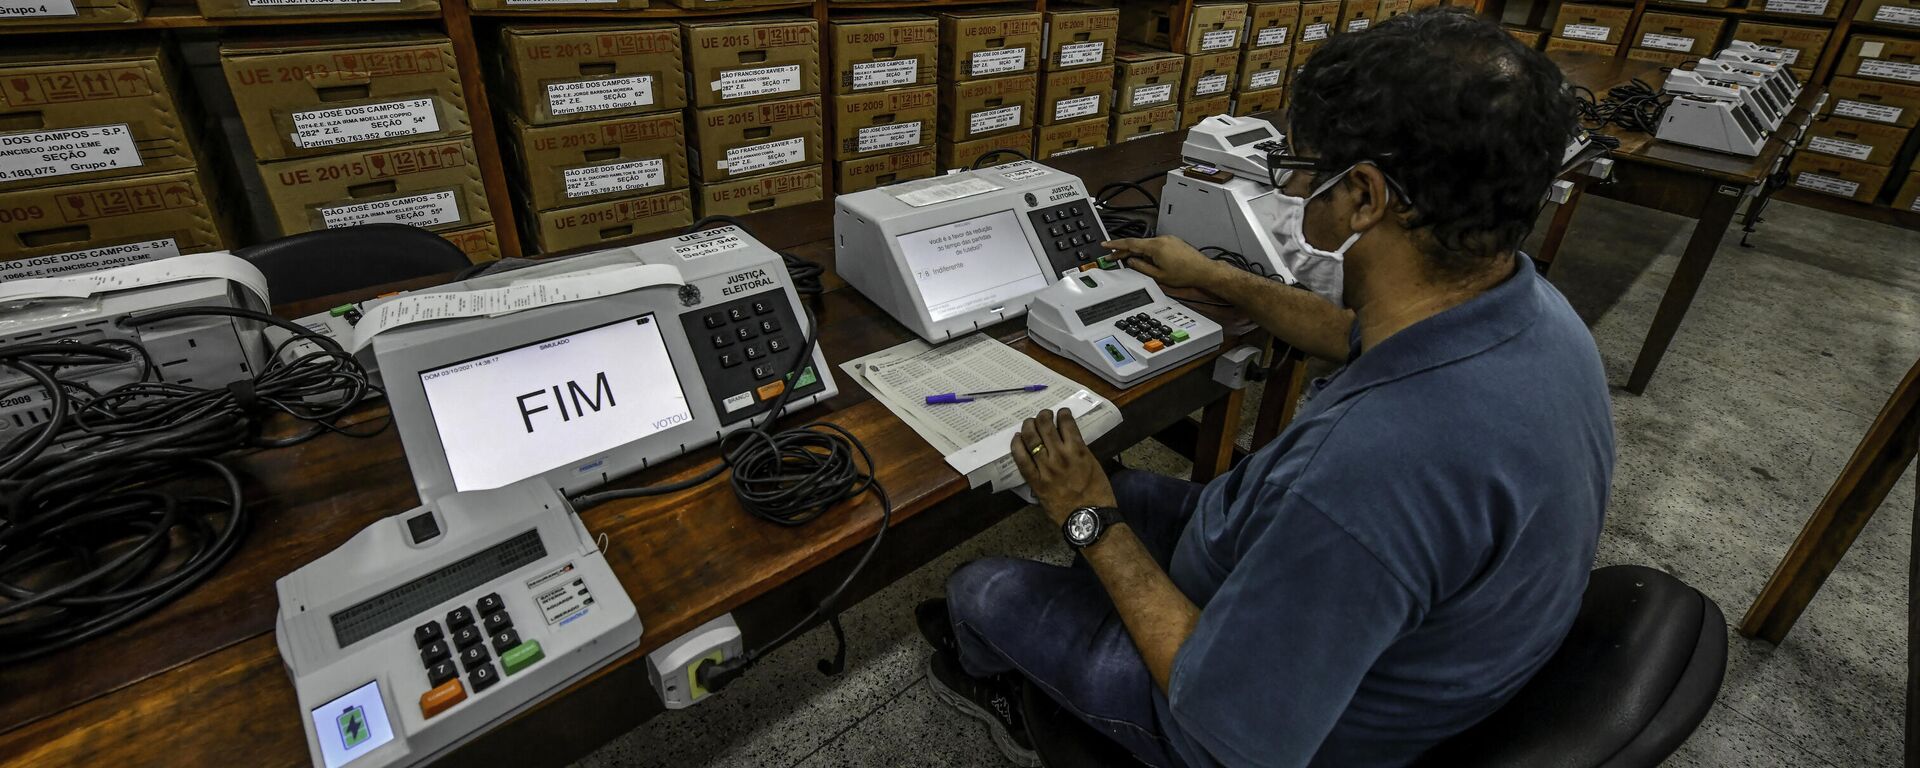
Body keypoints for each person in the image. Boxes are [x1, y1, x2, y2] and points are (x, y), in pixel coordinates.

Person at [915, 9, 1616, 768]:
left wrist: (1089, 521)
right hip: (1362, 621)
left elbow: (1233, 733)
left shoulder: (1371, 472)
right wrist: (1212, 275)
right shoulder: (1531, 310)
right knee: (1118, 484)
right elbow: (1347, 331)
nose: (1296, 188)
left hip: (1268, 726)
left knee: (981, 589)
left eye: (1304, 169)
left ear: (1364, 198)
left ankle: (1013, 695)